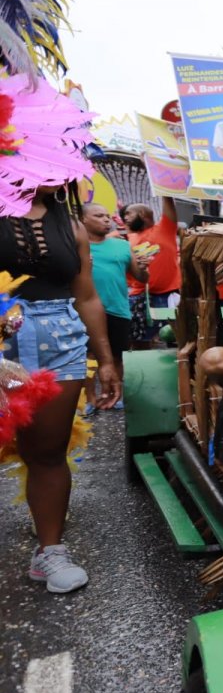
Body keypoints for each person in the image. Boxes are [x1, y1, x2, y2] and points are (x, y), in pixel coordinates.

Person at [1, 184, 122, 592]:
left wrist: (105, 360)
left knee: (47, 451)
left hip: (60, 343)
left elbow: (86, 295)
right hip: (3, 341)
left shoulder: (72, 227)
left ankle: (50, 551)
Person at [79, 203, 149, 414]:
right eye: (98, 216)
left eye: (107, 215)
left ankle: (112, 396)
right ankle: (90, 399)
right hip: (86, 310)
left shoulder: (123, 245)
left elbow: (141, 277)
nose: (106, 220)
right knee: (89, 355)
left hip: (118, 308)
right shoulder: (76, 247)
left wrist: (145, 269)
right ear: (83, 220)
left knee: (117, 356)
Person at [125, 198, 180, 349]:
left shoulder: (165, 228)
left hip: (167, 296)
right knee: (140, 341)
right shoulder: (128, 239)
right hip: (138, 297)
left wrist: (164, 189)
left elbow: (169, 204)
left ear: (142, 214)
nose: (125, 217)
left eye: (129, 213)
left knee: (172, 337)